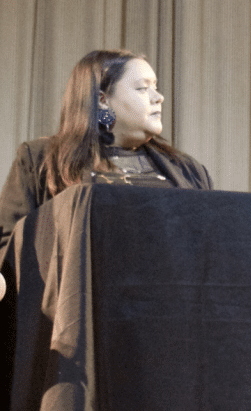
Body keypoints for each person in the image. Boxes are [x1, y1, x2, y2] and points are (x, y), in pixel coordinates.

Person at [0, 49, 213, 404]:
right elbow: (8, 248)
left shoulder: (188, 172)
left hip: (168, 345)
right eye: (143, 88)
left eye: (156, 87)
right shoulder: (40, 160)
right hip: (75, 345)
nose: (159, 97)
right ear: (102, 99)